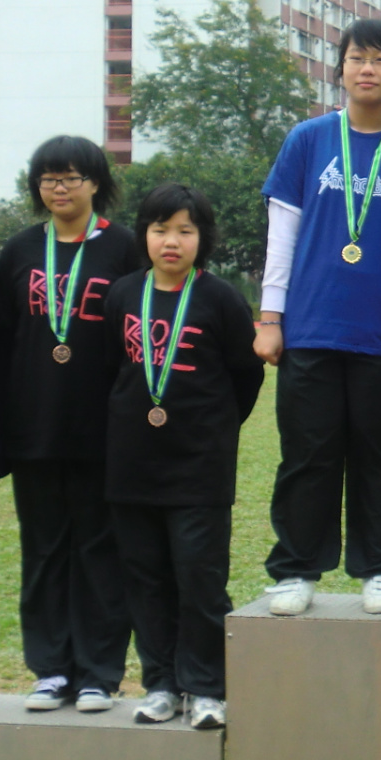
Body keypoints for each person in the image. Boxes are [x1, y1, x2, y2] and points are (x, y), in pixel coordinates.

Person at [257, 18, 381, 617]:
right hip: (311, 326)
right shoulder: (309, 139)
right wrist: (270, 317)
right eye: (356, 57)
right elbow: (282, 235)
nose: (367, 69)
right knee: (308, 454)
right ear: (341, 68)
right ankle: (296, 569)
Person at [0, 136, 142, 712]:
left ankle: (99, 672)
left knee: (101, 553)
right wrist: (1, 430)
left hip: (104, 430)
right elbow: (3, 344)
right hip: (36, 426)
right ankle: (50, 670)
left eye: (71, 177)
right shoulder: (21, 250)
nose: (59, 188)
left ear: (96, 183)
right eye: (48, 178)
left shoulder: (124, 248)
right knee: (44, 551)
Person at [103, 184, 264, 730]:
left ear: (202, 238)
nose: (171, 241)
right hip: (132, 466)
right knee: (146, 581)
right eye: (160, 229)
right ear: (144, 235)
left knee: (199, 580)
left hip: (199, 468)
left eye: (184, 231)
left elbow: (245, 377)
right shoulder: (123, 294)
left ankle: (207, 687)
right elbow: (110, 372)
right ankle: (161, 684)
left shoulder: (221, 299)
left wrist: (213, 430)